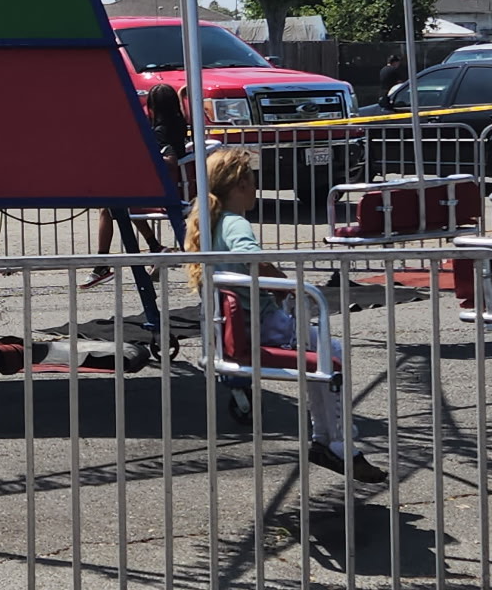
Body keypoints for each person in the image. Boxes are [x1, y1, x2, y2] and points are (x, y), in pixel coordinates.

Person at [185, 145, 385, 482]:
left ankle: (328, 439)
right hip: (261, 323)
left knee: (324, 356)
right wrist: (286, 285)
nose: (255, 187)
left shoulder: (210, 222)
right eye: (252, 180)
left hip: (236, 324)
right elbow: (254, 260)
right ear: (240, 186)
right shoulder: (235, 224)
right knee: (330, 355)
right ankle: (336, 441)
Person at [83, 84, 190, 287]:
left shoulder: (160, 132)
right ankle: (154, 246)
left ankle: (101, 264)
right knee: (118, 204)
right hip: (168, 187)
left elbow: (169, 159)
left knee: (108, 207)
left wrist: (143, 158)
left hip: (159, 190)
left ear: (152, 106)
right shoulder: (179, 124)